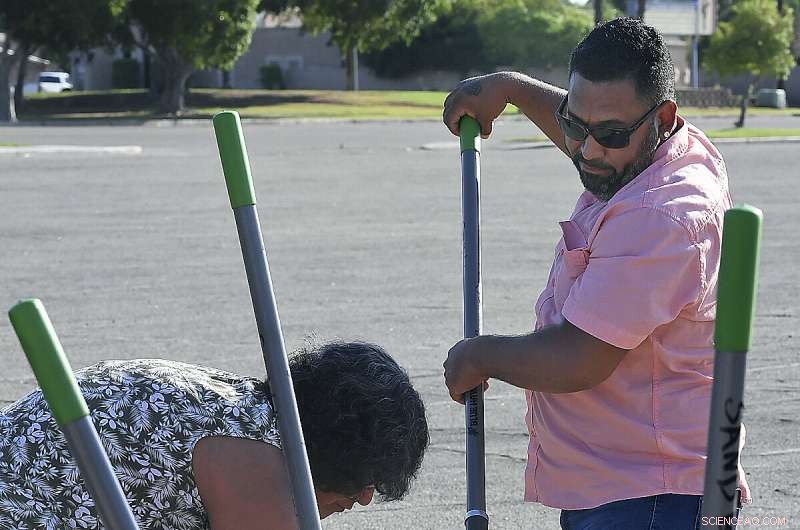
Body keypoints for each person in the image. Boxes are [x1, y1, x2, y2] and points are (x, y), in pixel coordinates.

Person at [442, 17, 750, 529]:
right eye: (573, 124)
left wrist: (481, 355)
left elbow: (580, 358)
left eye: (607, 135)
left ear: (663, 117)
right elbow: (597, 135)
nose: (586, 150)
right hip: (623, 484)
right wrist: (513, 89)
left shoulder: (662, 214)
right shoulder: (657, 149)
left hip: (653, 498)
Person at [0, 341, 429, 529]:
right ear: (339, 449)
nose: (366, 499)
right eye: (364, 484)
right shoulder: (254, 462)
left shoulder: (245, 410)